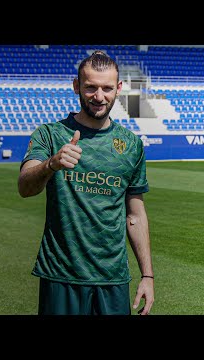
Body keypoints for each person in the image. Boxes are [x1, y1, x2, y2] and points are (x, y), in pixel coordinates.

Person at [18, 50, 154, 315]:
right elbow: (25, 187)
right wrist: (51, 164)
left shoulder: (132, 145)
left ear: (119, 88)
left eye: (107, 88)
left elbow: (135, 216)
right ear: (76, 86)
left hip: (113, 278)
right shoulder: (50, 134)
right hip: (61, 275)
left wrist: (147, 276)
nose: (99, 97)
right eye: (90, 87)